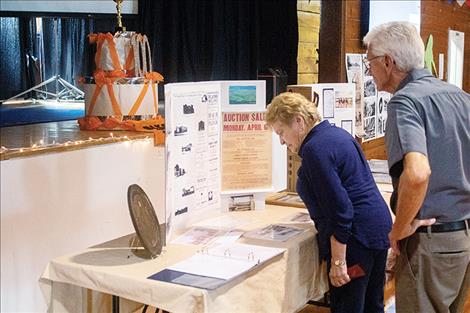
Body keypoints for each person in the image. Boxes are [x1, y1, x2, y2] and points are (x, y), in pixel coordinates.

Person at [363, 21, 470, 313]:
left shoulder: (405, 102)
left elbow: (418, 173)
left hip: (430, 243)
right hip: (462, 238)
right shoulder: (460, 97)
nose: (368, 70)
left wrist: (399, 229)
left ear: (388, 61)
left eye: (369, 61)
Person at [266, 92, 392, 313]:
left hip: (357, 240)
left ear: (299, 121)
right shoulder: (337, 135)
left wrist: (338, 262)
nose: (282, 141)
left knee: (348, 306)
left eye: (282, 133)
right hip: (377, 230)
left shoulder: (316, 149)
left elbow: (341, 211)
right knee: (373, 305)